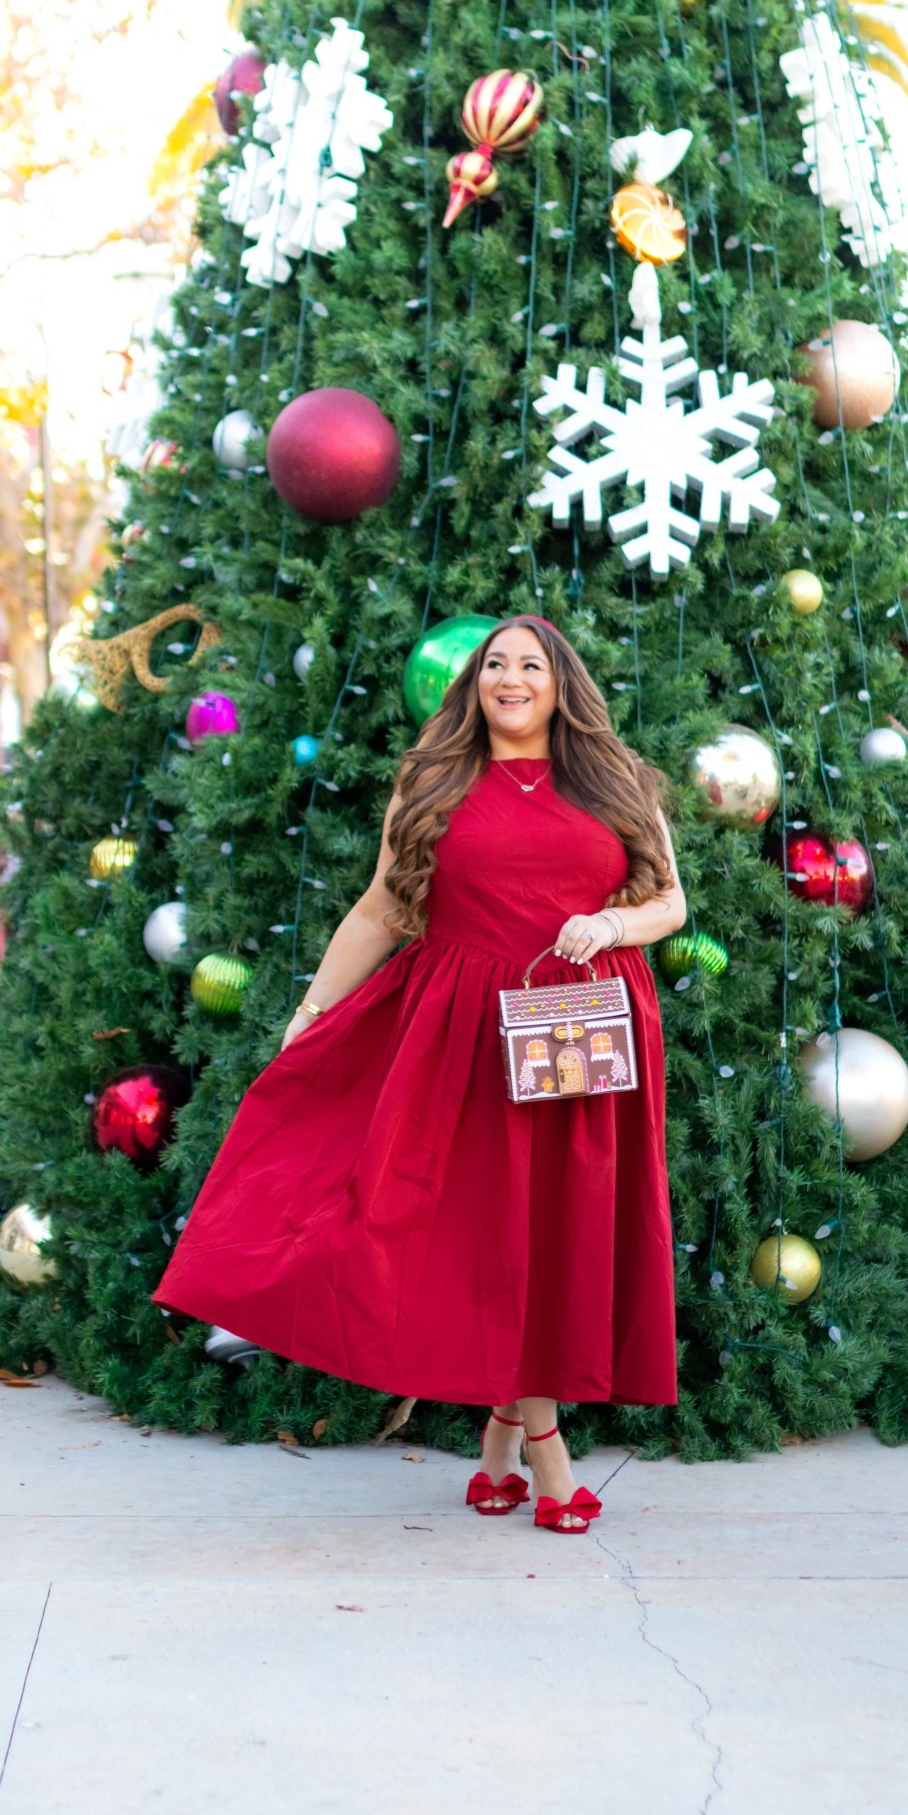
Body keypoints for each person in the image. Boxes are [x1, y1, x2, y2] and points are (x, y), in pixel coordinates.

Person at [154, 616, 688, 1533]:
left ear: (562, 683)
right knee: (491, 1235)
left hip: (577, 1037)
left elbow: (670, 903)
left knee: (552, 1231)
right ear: (474, 684)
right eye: (494, 664)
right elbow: (381, 910)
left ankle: (498, 1444)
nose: (510, 678)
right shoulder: (433, 778)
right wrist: (310, 1015)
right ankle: (547, 1452)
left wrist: (610, 925)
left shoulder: (620, 779)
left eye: (530, 664)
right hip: (460, 1036)